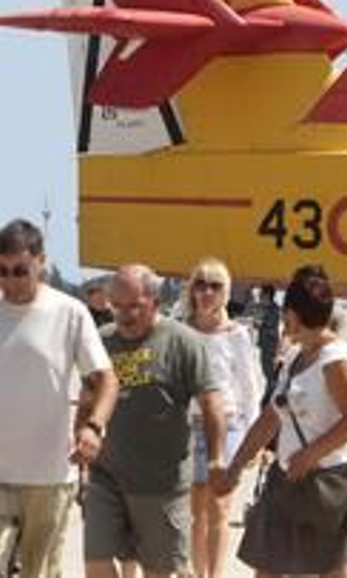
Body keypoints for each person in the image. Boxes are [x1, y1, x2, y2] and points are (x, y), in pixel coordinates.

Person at [222, 264, 347, 578]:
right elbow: (271, 417)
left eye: (286, 314)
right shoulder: (296, 355)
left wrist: (311, 454)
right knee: (268, 568)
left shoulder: (337, 359)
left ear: (293, 314)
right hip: (286, 478)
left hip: (328, 482)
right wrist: (235, 467)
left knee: (329, 571)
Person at [87, 265, 228, 578]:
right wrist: (82, 439)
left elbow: (211, 403)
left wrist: (218, 458)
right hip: (107, 476)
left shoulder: (183, 342)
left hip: (161, 484)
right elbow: (86, 399)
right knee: (96, 563)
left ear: (154, 300)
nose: (124, 315)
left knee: (159, 571)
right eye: (117, 306)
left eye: (133, 305)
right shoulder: (102, 341)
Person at [0, 219, 118, 578]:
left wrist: (94, 427)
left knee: (39, 572)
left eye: (20, 271)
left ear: (41, 262)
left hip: (49, 476)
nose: (11, 280)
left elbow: (106, 379)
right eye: (2, 271)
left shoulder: (69, 313)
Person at [181, 259, 263, 578]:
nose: (206, 292)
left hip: (227, 426)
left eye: (215, 286)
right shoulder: (181, 331)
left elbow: (249, 389)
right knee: (196, 510)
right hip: (188, 427)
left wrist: (254, 441)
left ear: (226, 293)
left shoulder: (237, 335)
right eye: (200, 284)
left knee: (219, 507)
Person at [247, 284, 282, 390]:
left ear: (267, 295)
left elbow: (264, 324)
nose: (260, 297)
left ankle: (272, 389)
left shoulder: (273, 309)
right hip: (265, 343)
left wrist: (259, 322)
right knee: (265, 369)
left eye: (262, 294)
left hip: (270, 344)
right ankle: (271, 386)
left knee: (268, 370)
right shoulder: (266, 308)